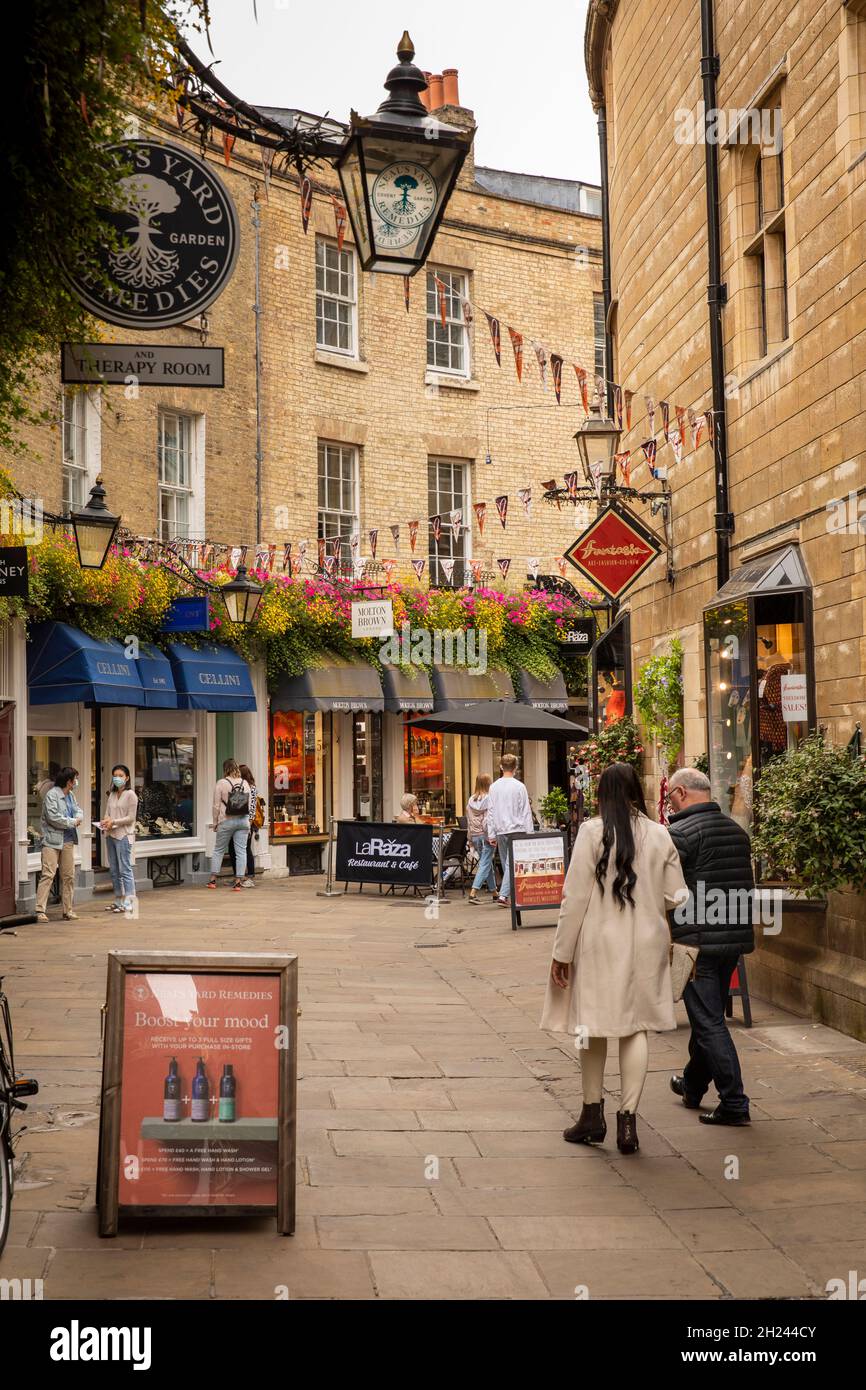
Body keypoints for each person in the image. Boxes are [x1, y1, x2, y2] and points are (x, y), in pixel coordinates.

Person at [541, 762, 687, 1154]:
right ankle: (628, 1123)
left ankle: (592, 1115)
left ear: (603, 794)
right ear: (636, 791)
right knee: (635, 1025)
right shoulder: (659, 834)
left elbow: (574, 899)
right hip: (647, 942)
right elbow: (678, 895)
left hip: (598, 943)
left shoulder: (591, 832)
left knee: (592, 1024)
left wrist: (561, 952)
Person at [666, 766, 755, 1126]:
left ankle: (734, 1102)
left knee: (708, 1022)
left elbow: (668, 891)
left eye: (670, 795)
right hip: (730, 939)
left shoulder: (679, 834)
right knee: (710, 1017)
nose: (669, 802)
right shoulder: (737, 830)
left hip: (696, 942)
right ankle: (692, 1085)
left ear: (683, 794)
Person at [35, 767, 83, 923]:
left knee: (69, 876)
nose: (76, 782)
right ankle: (40, 910)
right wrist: (72, 821)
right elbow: (53, 817)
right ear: (69, 781)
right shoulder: (52, 795)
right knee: (48, 874)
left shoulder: (71, 795)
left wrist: (78, 817)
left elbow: (78, 810)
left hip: (68, 840)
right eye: (75, 779)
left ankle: (67, 910)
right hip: (51, 841)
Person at [486, 753, 533, 906]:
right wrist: (530, 832)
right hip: (517, 828)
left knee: (508, 863)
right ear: (516, 767)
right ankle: (504, 895)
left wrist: (491, 833)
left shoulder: (493, 787)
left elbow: (491, 811)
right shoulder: (520, 786)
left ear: (500, 767)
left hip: (500, 830)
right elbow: (526, 810)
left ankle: (507, 895)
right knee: (511, 864)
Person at [99, 764, 139, 915]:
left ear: (127, 778)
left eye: (121, 775)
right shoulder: (112, 794)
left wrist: (114, 822)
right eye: (115, 775)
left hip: (123, 835)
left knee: (125, 869)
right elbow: (107, 812)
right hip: (110, 834)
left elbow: (131, 818)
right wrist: (105, 821)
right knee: (114, 870)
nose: (117, 778)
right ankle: (118, 900)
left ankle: (130, 903)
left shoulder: (131, 795)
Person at [209, 759, 251, 892]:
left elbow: (216, 806)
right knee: (241, 851)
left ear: (225, 769)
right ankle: (238, 882)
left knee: (219, 850)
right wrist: (248, 823)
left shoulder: (221, 783)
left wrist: (215, 823)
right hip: (243, 821)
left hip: (226, 820)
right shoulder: (245, 783)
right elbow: (249, 805)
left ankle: (213, 880)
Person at [466, 774, 497, 904]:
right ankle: (473, 892)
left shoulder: (471, 800)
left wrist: (470, 838)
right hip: (486, 835)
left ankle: (494, 892)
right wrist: (492, 835)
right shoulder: (490, 799)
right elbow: (489, 820)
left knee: (486, 863)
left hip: (475, 835)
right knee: (485, 863)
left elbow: (468, 820)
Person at [233, 763, 259, 887]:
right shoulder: (245, 787)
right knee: (242, 849)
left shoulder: (249, 788)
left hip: (246, 822)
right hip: (243, 821)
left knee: (244, 849)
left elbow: (251, 808)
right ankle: (243, 875)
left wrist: (248, 824)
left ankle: (248, 875)